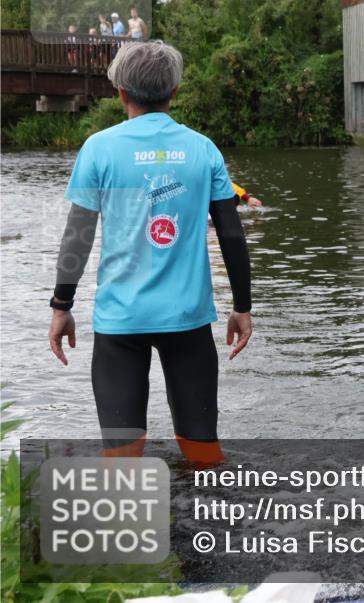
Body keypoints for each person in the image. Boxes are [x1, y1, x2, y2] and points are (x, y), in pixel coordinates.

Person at [47, 40, 253, 466]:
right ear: (174, 92)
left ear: (120, 91)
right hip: (189, 320)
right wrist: (242, 307)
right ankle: (216, 527)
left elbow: (77, 237)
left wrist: (61, 305)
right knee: (203, 453)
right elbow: (232, 236)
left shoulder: (99, 148)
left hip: (121, 323)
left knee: (121, 459)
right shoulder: (202, 149)